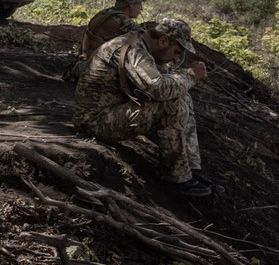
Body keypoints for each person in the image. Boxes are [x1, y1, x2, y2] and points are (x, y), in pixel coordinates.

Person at [72, 18, 211, 198]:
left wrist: (181, 77)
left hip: (110, 112)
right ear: (163, 41)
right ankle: (176, 178)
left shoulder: (140, 44)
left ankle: (190, 167)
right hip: (95, 121)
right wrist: (190, 75)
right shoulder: (133, 49)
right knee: (171, 105)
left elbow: (165, 84)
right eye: (176, 52)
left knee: (181, 95)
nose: (176, 59)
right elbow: (158, 89)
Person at [79, 0, 145, 60]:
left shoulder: (104, 13)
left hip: (83, 62)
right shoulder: (122, 21)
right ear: (131, 4)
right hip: (95, 67)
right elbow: (147, 40)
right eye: (140, 4)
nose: (141, 8)